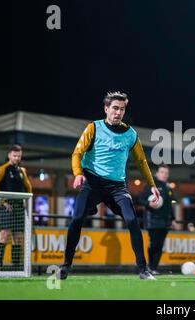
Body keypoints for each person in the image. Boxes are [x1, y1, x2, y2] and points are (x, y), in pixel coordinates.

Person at [60, 91, 160, 280]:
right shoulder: (93, 128)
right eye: (115, 108)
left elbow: (142, 161)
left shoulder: (131, 134)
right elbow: (77, 154)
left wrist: (152, 184)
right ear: (106, 109)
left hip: (117, 187)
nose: (118, 112)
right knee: (77, 218)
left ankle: (143, 270)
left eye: (122, 109)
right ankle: (65, 266)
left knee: (132, 220)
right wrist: (78, 174)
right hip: (92, 182)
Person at [0, 144, 32, 269]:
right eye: (14, 155)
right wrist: (3, 201)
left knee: (18, 237)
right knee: (4, 234)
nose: (16, 158)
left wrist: (26, 200)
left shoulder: (21, 171)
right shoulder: (3, 169)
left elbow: (28, 187)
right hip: (7, 206)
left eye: (18, 156)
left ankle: (16, 267)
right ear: (9, 155)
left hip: (19, 206)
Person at [140, 165, 176, 275]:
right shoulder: (151, 185)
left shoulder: (167, 187)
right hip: (153, 221)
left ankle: (154, 268)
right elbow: (141, 199)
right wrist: (148, 203)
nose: (164, 174)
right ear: (157, 173)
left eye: (166, 173)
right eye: (162, 172)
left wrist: (173, 219)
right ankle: (149, 266)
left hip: (165, 222)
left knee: (160, 246)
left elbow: (170, 205)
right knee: (153, 244)